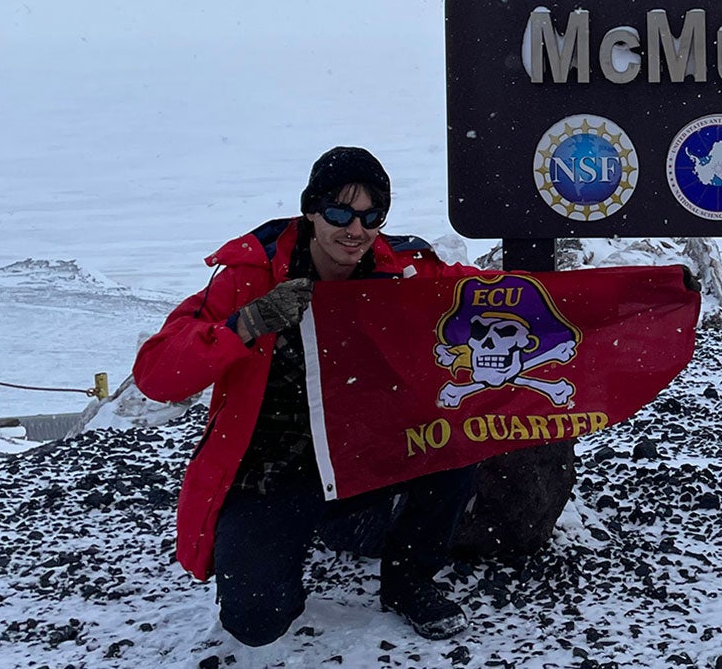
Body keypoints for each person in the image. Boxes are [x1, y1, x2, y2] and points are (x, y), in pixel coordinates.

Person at [132, 146, 484, 646]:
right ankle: (296, 544)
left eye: (371, 216)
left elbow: (482, 295)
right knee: (256, 623)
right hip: (274, 470)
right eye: (340, 213)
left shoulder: (399, 270)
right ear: (311, 211)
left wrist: (599, 300)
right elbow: (157, 375)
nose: (355, 230)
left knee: (457, 439)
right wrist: (246, 324)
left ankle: (408, 580)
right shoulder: (249, 276)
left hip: (363, 458)